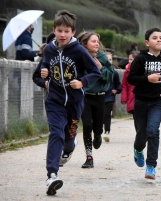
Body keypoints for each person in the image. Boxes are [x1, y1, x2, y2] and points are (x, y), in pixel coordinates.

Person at [40, 10, 101, 195]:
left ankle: (68, 149)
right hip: (55, 101)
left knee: (68, 140)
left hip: (75, 103)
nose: (63, 34)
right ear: (54, 30)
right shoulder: (49, 49)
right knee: (56, 132)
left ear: (73, 32)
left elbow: (95, 72)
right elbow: (43, 66)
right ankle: (52, 175)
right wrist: (43, 72)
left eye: (66, 31)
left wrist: (82, 82)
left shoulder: (79, 51)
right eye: (59, 30)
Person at [127, 28, 161, 180]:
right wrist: (147, 79)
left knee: (153, 131)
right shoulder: (141, 58)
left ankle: (151, 165)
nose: (159, 40)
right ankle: (138, 150)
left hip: (158, 101)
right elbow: (131, 78)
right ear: (147, 42)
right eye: (155, 38)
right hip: (140, 101)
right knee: (141, 134)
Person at [77, 30, 114, 169]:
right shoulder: (79, 57)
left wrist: (101, 68)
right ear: (85, 44)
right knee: (87, 125)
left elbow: (111, 75)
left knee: (97, 127)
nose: (97, 44)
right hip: (84, 96)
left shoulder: (102, 57)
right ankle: (89, 157)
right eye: (93, 41)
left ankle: (98, 136)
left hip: (100, 97)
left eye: (98, 41)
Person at [103, 52, 122, 142]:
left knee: (107, 115)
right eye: (106, 59)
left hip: (110, 96)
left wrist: (117, 90)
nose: (108, 61)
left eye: (110, 59)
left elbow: (118, 85)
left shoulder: (114, 73)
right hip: (99, 96)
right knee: (99, 115)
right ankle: (98, 132)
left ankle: (107, 131)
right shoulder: (97, 71)